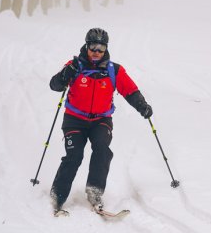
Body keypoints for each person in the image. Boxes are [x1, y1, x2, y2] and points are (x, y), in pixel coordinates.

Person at [49, 27, 153, 215]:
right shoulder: (75, 66)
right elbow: (54, 85)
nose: (96, 52)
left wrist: (142, 106)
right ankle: (58, 195)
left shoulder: (114, 70)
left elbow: (130, 91)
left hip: (101, 120)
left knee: (102, 150)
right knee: (74, 156)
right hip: (74, 119)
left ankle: (95, 191)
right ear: (86, 46)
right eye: (93, 47)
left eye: (101, 48)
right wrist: (66, 73)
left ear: (106, 49)